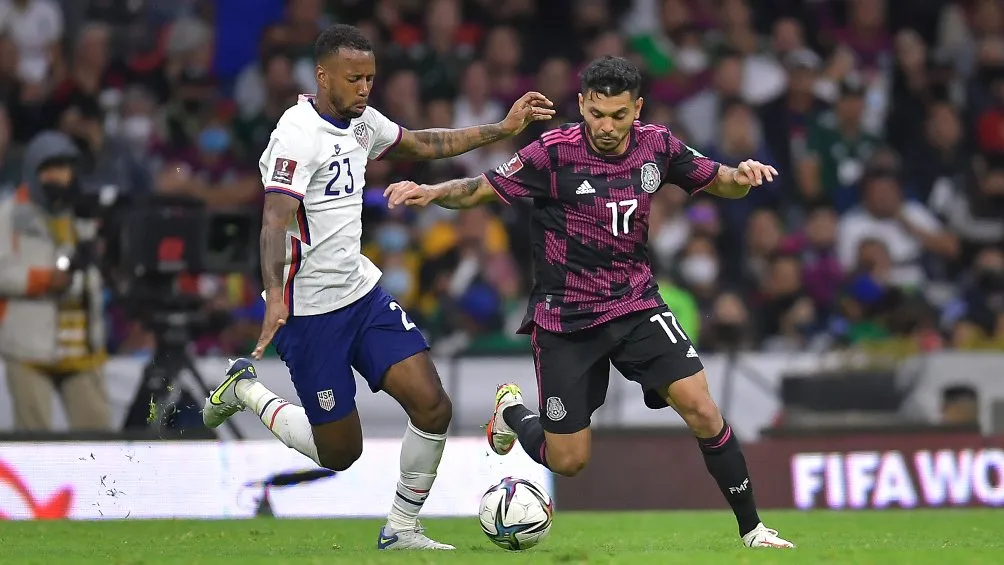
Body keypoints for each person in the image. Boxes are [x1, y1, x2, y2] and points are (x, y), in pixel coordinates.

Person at [383, 56, 795, 549]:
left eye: (618, 115)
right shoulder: (553, 153)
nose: (605, 125)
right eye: (596, 113)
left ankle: (753, 530)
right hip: (566, 320)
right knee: (569, 461)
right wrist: (431, 191)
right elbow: (481, 189)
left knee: (702, 408)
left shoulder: (657, 145)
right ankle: (513, 411)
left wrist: (742, 175)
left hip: (636, 303)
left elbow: (717, 179)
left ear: (636, 109)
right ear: (581, 104)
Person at [200, 24, 554, 550]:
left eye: (369, 78)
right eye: (353, 79)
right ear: (323, 76)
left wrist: (501, 129)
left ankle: (402, 528)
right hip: (309, 312)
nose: (365, 88)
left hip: (362, 298)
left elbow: (424, 143)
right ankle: (247, 390)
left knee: (433, 406)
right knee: (341, 452)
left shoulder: (360, 123)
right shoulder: (295, 134)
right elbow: (275, 220)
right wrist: (275, 296)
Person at [0, 130, 111, 431]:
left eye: (64, 169)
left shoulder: (81, 212)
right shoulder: (9, 214)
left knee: (98, 434)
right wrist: (44, 279)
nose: (59, 177)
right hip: (29, 345)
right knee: (33, 440)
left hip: (81, 344)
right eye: (50, 169)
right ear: (33, 171)